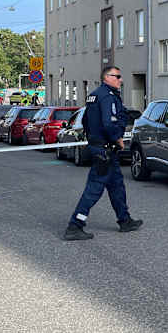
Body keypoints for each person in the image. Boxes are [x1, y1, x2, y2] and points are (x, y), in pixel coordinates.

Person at [64, 66, 143, 241]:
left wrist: (93, 138)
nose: (120, 80)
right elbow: (109, 123)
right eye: (117, 77)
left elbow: (85, 120)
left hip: (101, 148)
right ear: (107, 77)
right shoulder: (107, 96)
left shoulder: (94, 95)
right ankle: (75, 225)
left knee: (117, 186)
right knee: (94, 189)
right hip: (105, 149)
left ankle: (124, 220)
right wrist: (118, 138)